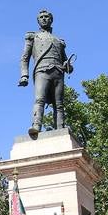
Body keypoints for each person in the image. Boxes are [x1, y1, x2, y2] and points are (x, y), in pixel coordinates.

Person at [18, 9, 74, 139]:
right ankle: (36, 126)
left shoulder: (59, 41)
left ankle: (60, 128)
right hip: (41, 71)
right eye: (41, 17)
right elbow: (25, 57)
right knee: (39, 99)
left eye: (46, 17)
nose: (44, 19)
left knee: (59, 104)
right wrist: (24, 75)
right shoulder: (33, 37)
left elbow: (65, 61)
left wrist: (68, 66)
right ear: (38, 20)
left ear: (51, 19)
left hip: (58, 72)